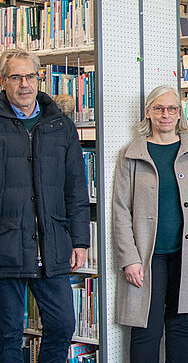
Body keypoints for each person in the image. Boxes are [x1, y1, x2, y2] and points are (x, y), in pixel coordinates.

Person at [113, 85, 188, 363]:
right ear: (148, 112)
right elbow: (121, 210)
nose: (165, 114)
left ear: (179, 114)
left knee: (182, 327)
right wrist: (129, 258)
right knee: (145, 328)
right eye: (159, 108)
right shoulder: (132, 153)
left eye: (172, 108)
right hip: (148, 257)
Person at [0, 48, 90, 361]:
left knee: (63, 325)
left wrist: (79, 240)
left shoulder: (60, 125)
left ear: (39, 79)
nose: (24, 84)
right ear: (3, 81)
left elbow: (75, 188)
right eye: (15, 77)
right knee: (7, 334)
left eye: (30, 76)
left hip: (51, 245)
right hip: (6, 245)